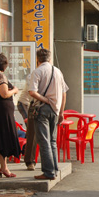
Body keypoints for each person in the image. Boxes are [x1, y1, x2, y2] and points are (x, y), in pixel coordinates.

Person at [29, 49, 68, 180]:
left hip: (42, 109)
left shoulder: (37, 71)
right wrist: (61, 111)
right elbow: (64, 93)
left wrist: (45, 100)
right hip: (55, 110)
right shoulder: (57, 71)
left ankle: (48, 172)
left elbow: (32, 92)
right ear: (50, 59)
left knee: (44, 141)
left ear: (37, 59)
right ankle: (54, 169)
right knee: (52, 141)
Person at [17, 75, 37, 171]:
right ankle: (27, 156)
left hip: (29, 104)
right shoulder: (32, 76)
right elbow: (32, 94)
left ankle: (27, 153)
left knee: (31, 133)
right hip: (23, 104)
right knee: (30, 132)